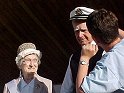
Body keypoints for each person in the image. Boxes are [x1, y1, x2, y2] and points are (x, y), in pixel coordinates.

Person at [76, 9, 124, 93]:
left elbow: (81, 91)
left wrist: (84, 58)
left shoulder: (110, 63)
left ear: (95, 39)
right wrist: (108, 25)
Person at [60, 7, 104, 93]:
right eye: (76, 31)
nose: (80, 35)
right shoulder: (74, 57)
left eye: (84, 30)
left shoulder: (106, 52)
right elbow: (66, 89)